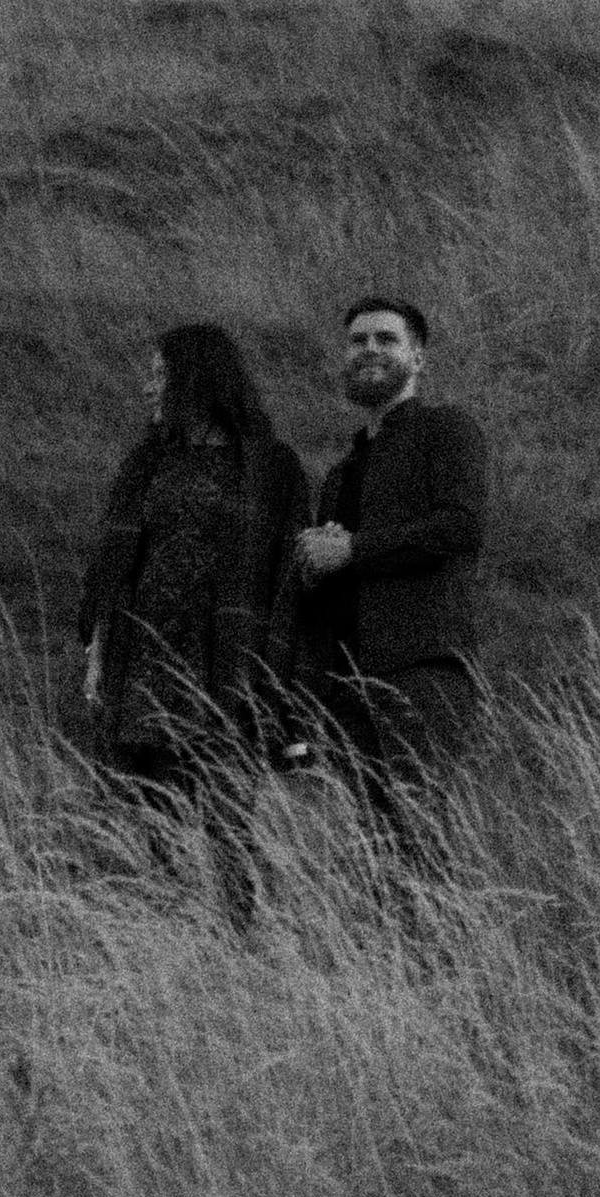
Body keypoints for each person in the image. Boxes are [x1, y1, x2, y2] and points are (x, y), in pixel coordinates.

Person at [76, 323, 309, 926]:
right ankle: (159, 944)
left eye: (158, 374)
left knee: (227, 822)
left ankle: (237, 946)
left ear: (196, 379)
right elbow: (114, 565)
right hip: (144, 661)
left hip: (223, 667)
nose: (145, 386)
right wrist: (98, 649)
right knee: (147, 818)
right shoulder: (147, 462)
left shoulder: (270, 467)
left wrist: (280, 685)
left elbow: (287, 581)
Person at [271, 296, 489, 868]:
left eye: (386, 340)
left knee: (419, 840)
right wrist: (312, 561)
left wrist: (352, 548)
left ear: (418, 358)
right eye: (357, 340)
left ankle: (441, 958)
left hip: (420, 670)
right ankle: (380, 959)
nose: (368, 349)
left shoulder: (447, 430)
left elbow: (459, 527)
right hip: (345, 686)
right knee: (364, 854)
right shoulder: (343, 471)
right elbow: (332, 579)